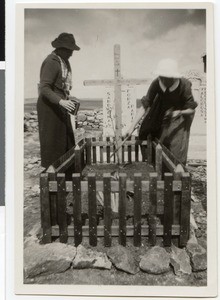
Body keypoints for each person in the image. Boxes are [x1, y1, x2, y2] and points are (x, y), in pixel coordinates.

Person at [125, 58, 198, 165]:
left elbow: (191, 109)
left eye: (167, 78)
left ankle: (175, 172)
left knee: (174, 144)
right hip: (161, 110)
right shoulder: (156, 83)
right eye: (162, 77)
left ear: (173, 77)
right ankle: (153, 166)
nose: (163, 80)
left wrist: (178, 113)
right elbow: (145, 105)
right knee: (146, 131)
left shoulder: (184, 85)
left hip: (181, 113)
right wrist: (131, 127)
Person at [37, 33, 80, 169]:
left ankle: (65, 176)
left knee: (66, 141)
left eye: (72, 50)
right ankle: (52, 181)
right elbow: (44, 88)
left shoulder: (63, 63)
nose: (71, 54)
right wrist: (61, 101)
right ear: (60, 49)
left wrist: (68, 98)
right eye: (69, 50)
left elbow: (60, 88)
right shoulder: (51, 62)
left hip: (59, 107)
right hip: (49, 109)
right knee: (52, 145)